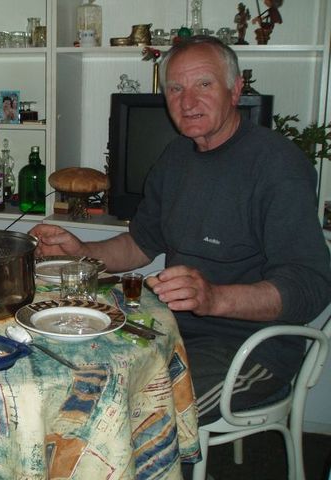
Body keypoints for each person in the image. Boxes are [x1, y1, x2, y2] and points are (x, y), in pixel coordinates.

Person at [30, 36, 331, 430]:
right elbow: (139, 244)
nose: (188, 102)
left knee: (133, 415)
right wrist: (80, 250)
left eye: (204, 84)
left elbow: (311, 285)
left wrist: (214, 297)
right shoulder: (176, 158)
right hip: (171, 330)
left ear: (235, 89)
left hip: (250, 349)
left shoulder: (277, 166)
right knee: (66, 373)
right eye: (175, 88)